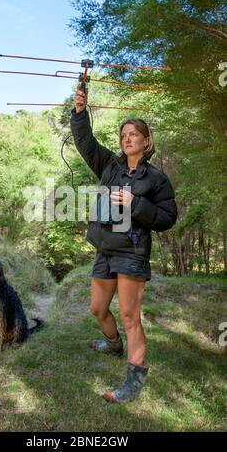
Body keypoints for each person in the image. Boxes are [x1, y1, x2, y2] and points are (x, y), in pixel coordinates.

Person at [70, 85, 178, 403]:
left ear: (146, 141)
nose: (127, 138)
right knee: (98, 309)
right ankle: (113, 343)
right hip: (105, 248)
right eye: (123, 134)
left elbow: (167, 218)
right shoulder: (110, 166)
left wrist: (134, 203)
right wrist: (79, 112)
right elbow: (85, 142)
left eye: (133, 134)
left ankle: (134, 378)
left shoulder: (156, 180)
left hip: (132, 252)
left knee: (130, 316)